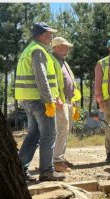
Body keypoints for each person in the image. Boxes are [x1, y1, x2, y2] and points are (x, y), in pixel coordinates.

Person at [15, 22, 65, 181]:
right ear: (42, 35)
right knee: (49, 135)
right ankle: (47, 172)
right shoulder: (38, 50)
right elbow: (41, 78)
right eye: (50, 34)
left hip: (29, 100)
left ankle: (19, 170)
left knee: (34, 134)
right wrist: (49, 100)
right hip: (40, 101)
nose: (52, 37)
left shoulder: (29, 49)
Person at [51, 37, 81, 172]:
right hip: (59, 101)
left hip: (67, 100)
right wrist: (56, 98)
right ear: (56, 47)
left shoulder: (63, 62)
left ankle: (60, 158)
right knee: (60, 130)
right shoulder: (52, 60)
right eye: (64, 46)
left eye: (68, 46)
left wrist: (73, 100)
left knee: (65, 130)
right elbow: (51, 81)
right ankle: (56, 161)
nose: (67, 49)